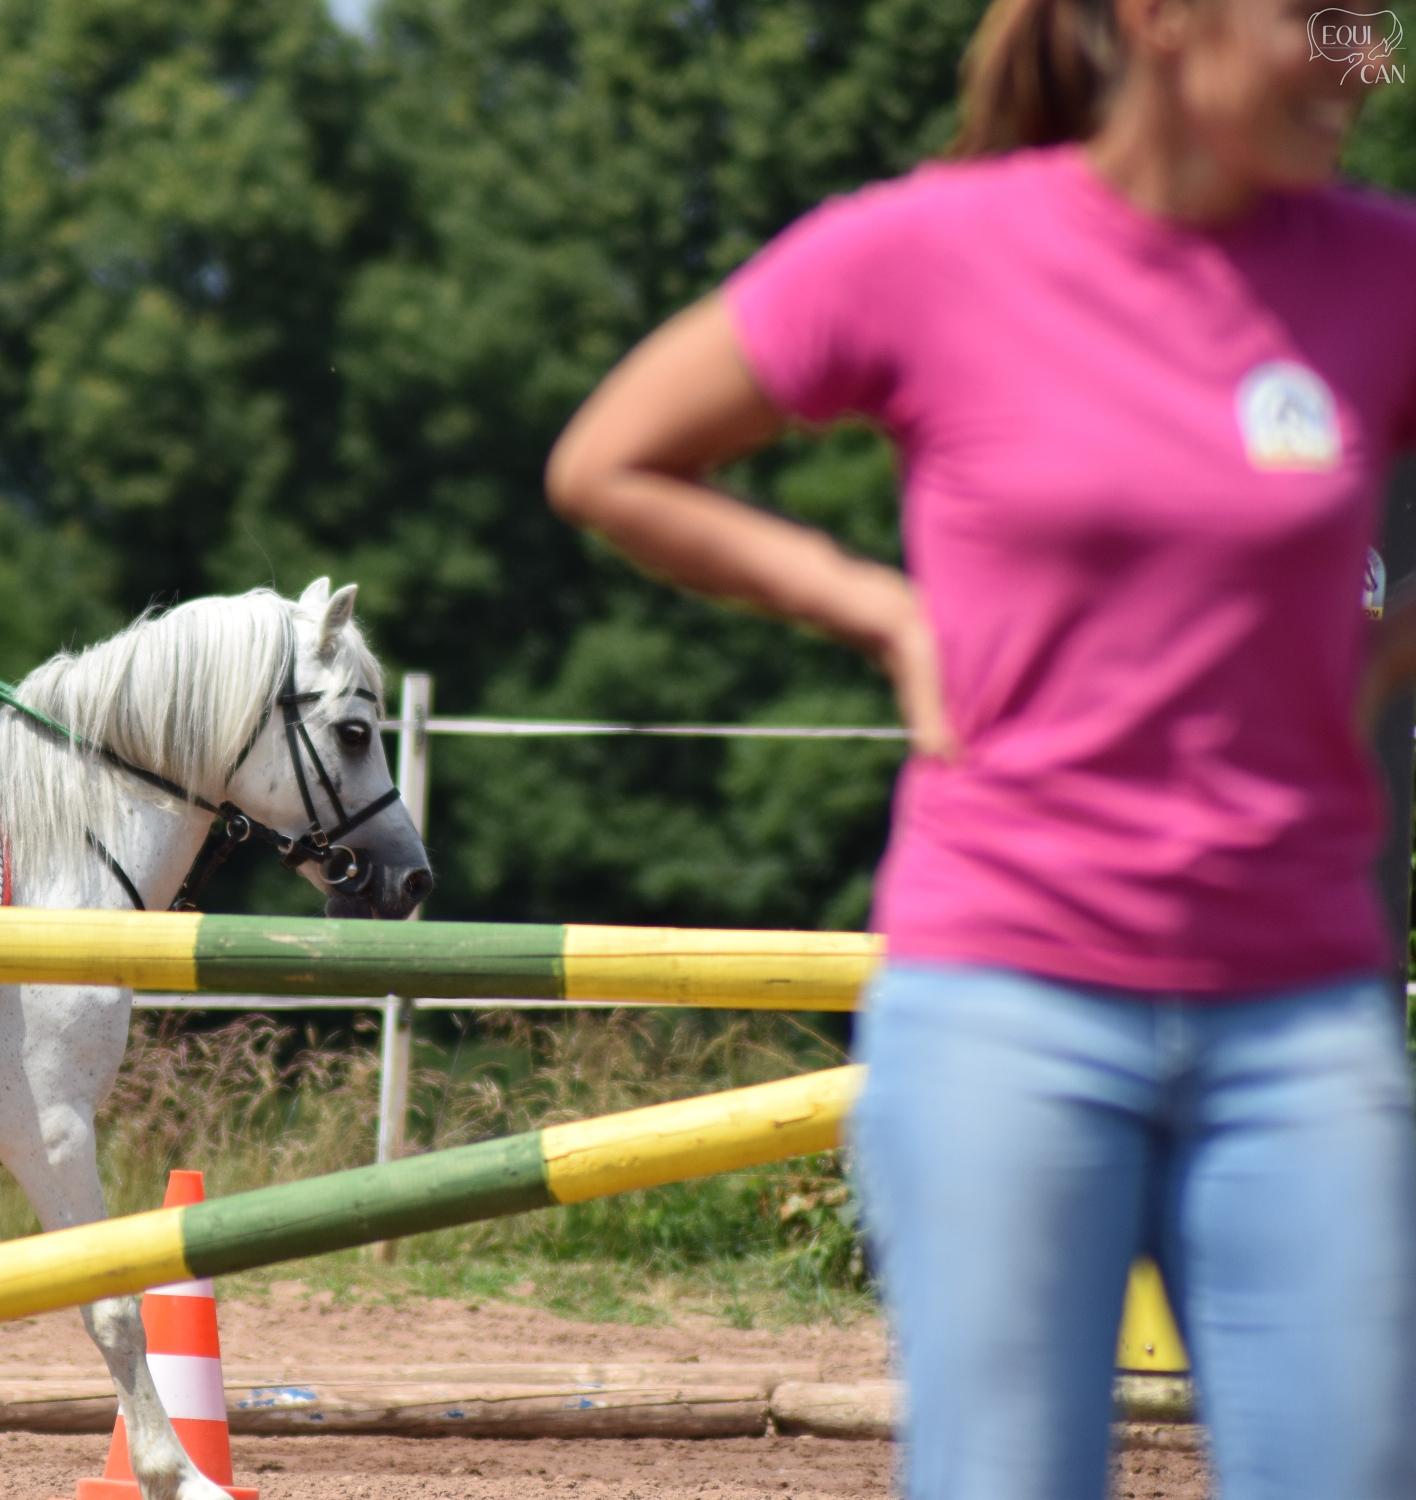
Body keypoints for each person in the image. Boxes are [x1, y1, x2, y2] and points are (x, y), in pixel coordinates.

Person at [546, 1, 1416, 1496]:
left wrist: (1383, 655)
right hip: (1007, 1007)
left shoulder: (1380, 268)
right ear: (1162, 19)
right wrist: (881, 608)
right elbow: (612, 459)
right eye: (1313, 16)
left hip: (1301, 1017)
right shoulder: (930, 249)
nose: (1361, 53)